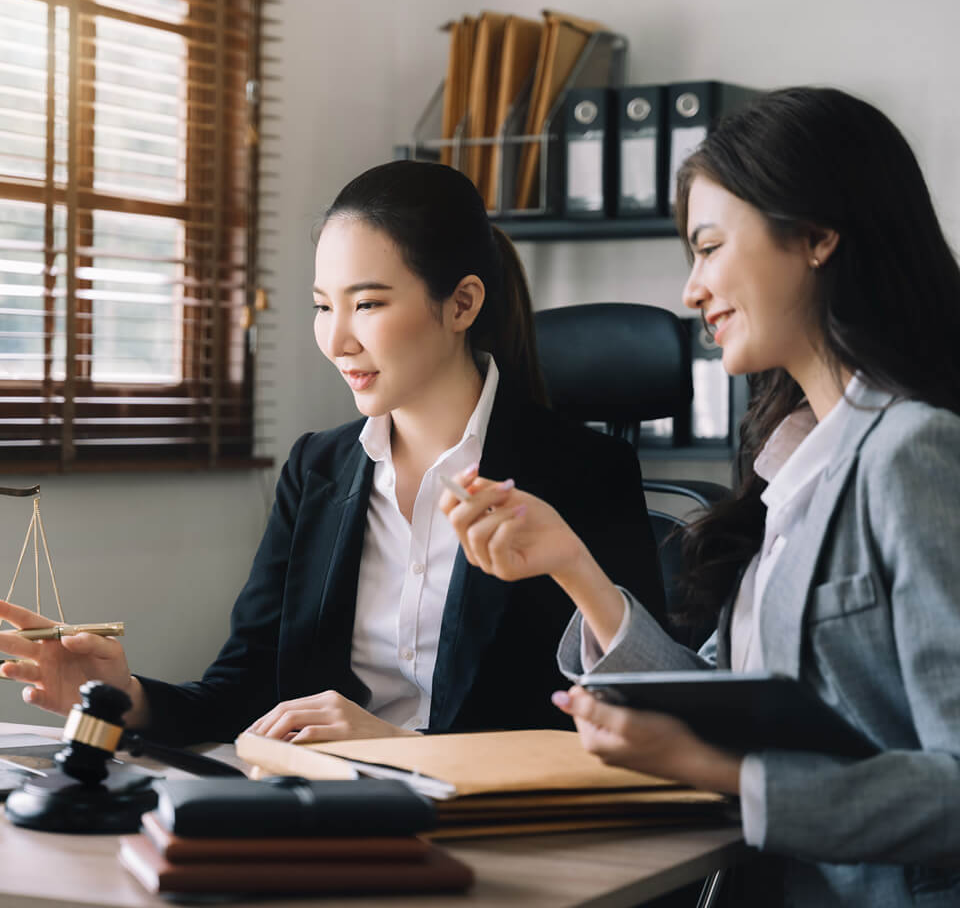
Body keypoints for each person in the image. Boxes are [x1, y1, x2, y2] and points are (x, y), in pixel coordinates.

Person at [441, 87, 960, 907]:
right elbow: (717, 694)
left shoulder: (911, 454)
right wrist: (570, 563)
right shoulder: (787, 468)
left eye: (710, 248)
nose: (691, 291)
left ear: (819, 235)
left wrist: (724, 773)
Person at [0, 160, 664, 747]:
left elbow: (608, 721)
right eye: (323, 306)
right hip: (329, 813)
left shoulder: (583, 474)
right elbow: (245, 691)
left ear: (461, 304)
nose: (336, 339)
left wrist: (399, 748)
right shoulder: (316, 469)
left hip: (500, 839)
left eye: (368, 303)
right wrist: (124, 696)